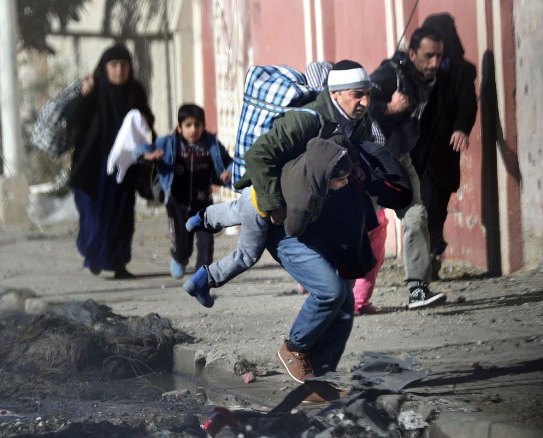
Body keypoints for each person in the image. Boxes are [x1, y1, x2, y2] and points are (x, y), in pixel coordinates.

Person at [233, 60, 379, 404]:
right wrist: (273, 206)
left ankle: (318, 382)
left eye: (368, 96)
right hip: (282, 223)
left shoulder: (359, 123)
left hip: (320, 222)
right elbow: (259, 155)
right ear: (337, 93)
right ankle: (293, 348)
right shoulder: (307, 119)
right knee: (328, 290)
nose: (365, 103)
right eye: (358, 95)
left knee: (344, 300)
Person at [182, 136, 353, 307]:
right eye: (340, 179)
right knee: (247, 256)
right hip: (259, 213)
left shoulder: (304, 162)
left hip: (254, 192)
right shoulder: (305, 196)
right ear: (325, 176)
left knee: (233, 210)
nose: (345, 182)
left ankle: (200, 219)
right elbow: (294, 229)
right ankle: (204, 279)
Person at [366, 26, 448, 309]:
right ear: (412, 54)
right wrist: (387, 108)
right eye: (428, 56)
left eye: (438, 56)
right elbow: (361, 102)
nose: (434, 63)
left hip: (400, 160)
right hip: (371, 163)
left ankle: (417, 289)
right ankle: (334, 294)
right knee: (359, 224)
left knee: (415, 216)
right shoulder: (389, 74)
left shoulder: (429, 78)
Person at [63, 44, 155, 279]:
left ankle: (119, 264)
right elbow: (72, 117)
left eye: (124, 65)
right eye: (113, 65)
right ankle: (94, 255)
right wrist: (84, 95)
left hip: (124, 166)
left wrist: (146, 119)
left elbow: (146, 118)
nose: (119, 71)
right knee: (94, 214)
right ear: (105, 68)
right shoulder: (94, 89)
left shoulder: (135, 91)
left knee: (122, 215)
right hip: (93, 165)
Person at [134, 104, 232, 279]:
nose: (193, 129)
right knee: (181, 243)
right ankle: (179, 259)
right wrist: (148, 156)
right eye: (188, 125)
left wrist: (228, 172)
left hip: (203, 201)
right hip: (176, 201)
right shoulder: (169, 143)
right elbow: (141, 149)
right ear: (179, 128)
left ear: (203, 126)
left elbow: (227, 162)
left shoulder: (211, 145)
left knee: (206, 241)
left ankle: (202, 275)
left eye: (197, 125)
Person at [414, 13, 478, 280]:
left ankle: (433, 258)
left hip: (445, 149)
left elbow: (467, 102)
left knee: (439, 202)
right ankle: (429, 253)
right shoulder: (416, 69)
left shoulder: (462, 70)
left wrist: (461, 128)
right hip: (419, 148)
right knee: (425, 202)